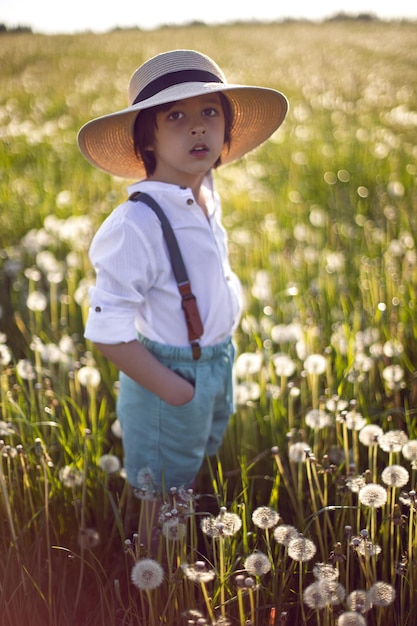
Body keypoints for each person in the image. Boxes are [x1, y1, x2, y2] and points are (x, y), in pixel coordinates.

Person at [78, 49, 288, 535]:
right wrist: (176, 392)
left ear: (227, 129)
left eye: (209, 113)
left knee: (186, 476)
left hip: (217, 364)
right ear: (145, 138)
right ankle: (154, 584)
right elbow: (107, 333)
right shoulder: (135, 223)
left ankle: (177, 563)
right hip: (168, 378)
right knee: (164, 492)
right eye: (176, 117)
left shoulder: (203, 196)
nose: (197, 128)